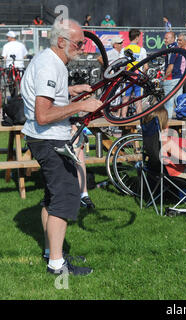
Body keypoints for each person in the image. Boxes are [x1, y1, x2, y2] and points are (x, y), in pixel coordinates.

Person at [21, 18, 103, 275]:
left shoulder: (52, 62)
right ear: (61, 42)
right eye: (79, 43)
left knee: (52, 197)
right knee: (66, 197)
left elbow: (45, 95)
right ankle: (57, 265)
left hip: (45, 137)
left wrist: (70, 90)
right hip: (48, 138)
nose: (82, 47)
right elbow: (43, 115)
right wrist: (80, 105)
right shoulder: (49, 65)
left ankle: (51, 252)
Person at [120, 29, 147, 119]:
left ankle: (123, 118)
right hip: (138, 77)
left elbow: (120, 65)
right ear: (137, 37)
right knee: (138, 99)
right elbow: (146, 67)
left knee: (125, 98)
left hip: (127, 77)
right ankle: (139, 119)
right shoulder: (142, 50)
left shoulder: (124, 49)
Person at [162, 31, 183, 118]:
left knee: (168, 104)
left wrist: (164, 78)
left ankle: (167, 126)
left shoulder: (172, 50)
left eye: (166, 38)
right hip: (179, 78)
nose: (165, 40)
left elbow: (170, 67)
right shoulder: (177, 48)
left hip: (171, 79)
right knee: (179, 103)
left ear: (172, 39)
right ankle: (183, 126)